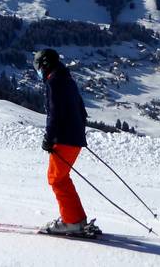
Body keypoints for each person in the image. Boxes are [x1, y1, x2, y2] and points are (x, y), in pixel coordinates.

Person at [34, 48, 93, 235]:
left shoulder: (54, 82)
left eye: (38, 67)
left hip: (63, 139)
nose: (38, 71)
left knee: (56, 180)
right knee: (62, 178)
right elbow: (81, 111)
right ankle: (76, 219)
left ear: (45, 64)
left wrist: (49, 138)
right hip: (74, 139)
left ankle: (72, 222)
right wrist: (77, 133)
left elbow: (54, 114)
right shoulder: (68, 79)